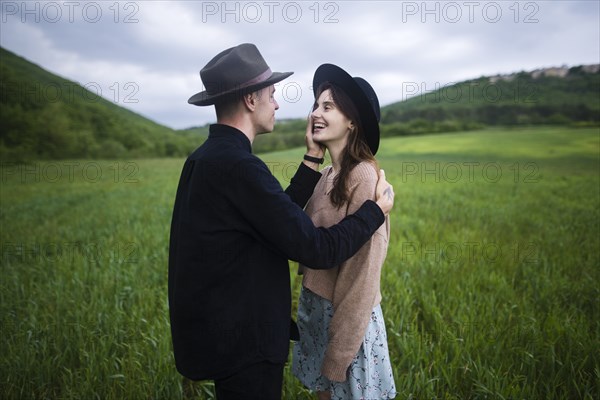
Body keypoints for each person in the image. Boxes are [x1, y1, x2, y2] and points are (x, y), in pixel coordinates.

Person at [168, 44, 395, 400]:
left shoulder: (206, 159)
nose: (277, 104)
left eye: (327, 105)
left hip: (226, 336)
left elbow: (273, 223)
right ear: (250, 100)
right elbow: (312, 245)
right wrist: (375, 211)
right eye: (271, 95)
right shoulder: (239, 167)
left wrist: (310, 162)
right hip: (244, 340)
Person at [292, 64, 397, 399]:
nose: (315, 114)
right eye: (315, 106)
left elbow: (361, 279)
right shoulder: (326, 176)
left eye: (328, 106)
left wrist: (338, 356)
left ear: (352, 121)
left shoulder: (364, 178)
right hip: (319, 316)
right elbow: (291, 227)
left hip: (347, 328)